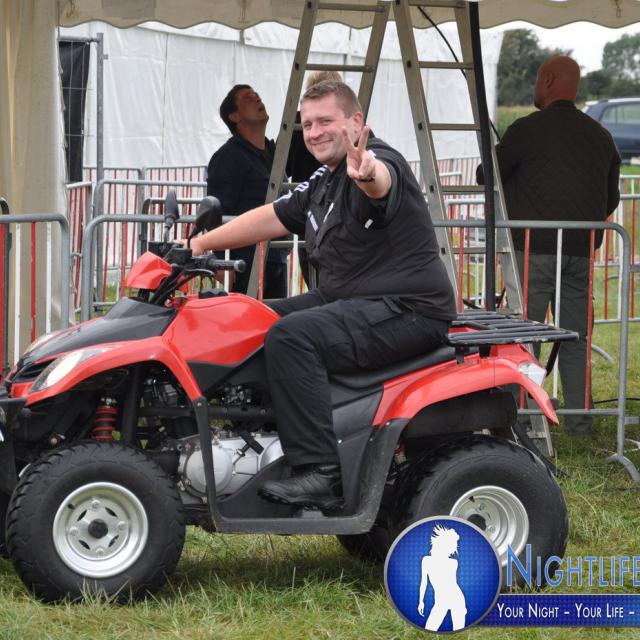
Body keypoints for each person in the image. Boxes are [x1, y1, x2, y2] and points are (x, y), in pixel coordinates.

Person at [191, 81, 456, 508]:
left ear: (356, 121)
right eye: (308, 124)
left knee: (293, 336)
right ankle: (256, 436)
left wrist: (367, 174)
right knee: (245, 316)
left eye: (325, 121)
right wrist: (200, 245)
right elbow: (274, 216)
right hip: (348, 298)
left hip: (407, 308)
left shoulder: (376, 162)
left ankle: (321, 471)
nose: (314, 133)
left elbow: (380, 181)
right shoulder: (325, 178)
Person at [478, 56, 621, 435]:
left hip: (532, 249)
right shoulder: (601, 136)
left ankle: (520, 420)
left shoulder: (526, 129)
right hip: (581, 250)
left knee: (523, 338)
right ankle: (579, 423)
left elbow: (485, 174)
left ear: (548, 80)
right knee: (576, 337)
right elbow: (611, 199)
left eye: (537, 80)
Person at [206, 84, 288, 298]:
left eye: (257, 95)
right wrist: (221, 261)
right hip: (245, 261)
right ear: (234, 116)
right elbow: (216, 211)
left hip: (276, 255)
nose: (257, 99)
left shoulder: (275, 154)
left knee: (277, 316)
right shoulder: (227, 157)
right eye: (248, 98)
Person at [286, 70, 343, 288]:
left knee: (314, 274)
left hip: (308, 210)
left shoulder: (298, 121)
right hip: (332, 205)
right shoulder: (345, 120)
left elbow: (284, 165)